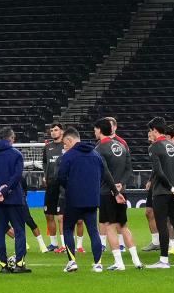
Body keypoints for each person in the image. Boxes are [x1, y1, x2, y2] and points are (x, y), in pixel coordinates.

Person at [52, 129, 106, 274]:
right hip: (92, 199)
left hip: (74, 199)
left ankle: (72, 262)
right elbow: (103, 174)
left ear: (70, 140)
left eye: (65, 143)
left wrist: (71, 187)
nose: (64, 146)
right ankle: (98, 264)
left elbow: (61, 177)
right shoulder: (96, 154)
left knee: (68, 228)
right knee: (93, 231)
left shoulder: (69, 156)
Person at [0, 127, 30, 274]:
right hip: (14, 198)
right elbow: (16, 176)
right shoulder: (16, 155)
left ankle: (3, 265)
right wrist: (5, 190)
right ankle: (20, 264)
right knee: (19, 231)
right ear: (11, 138)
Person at [94, 117, 141, 270]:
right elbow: (129, 169)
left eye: (95, 129)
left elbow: (104, 172)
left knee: (109, 226)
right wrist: (121, 183)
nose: (94, 132)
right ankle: (136, 261)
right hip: (122, 191)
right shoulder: (122, 146)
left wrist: (114, 188)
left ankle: (119, 263)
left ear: (100, 130)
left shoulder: (100, 148)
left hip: (107, 192)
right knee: (123, 226)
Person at [145, 120, 174, 268]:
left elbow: (158, 171)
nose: (149, 133)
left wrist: (170, 187)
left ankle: (164, 260)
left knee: (162, 224)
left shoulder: (154, 147)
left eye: (150, 130)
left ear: (154, 130)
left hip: (161, 192)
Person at [40, 123, 66, 253]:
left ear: (62, 131)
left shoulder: (66, 146)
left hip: (62, 185)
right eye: (51, 130)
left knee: (62, 216)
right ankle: (53, 244)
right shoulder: (47, 147)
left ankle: (64, 244)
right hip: (50, 185)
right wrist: (45, 175)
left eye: (56, 130)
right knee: (49, 215)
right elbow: (44, 163)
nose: (53, 132)